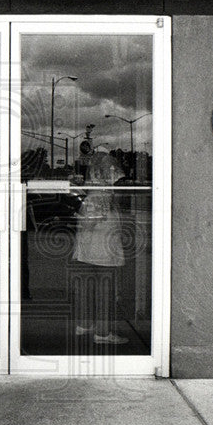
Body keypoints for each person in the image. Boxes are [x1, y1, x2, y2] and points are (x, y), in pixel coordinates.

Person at [71, 144, 127, 345]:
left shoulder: (90, 196)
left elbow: (86, 221)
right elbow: (93, 221)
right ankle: (102, 333)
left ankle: (85, 324)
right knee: (105, 288)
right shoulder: (103, 197)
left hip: (88, 248)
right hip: (103, 248)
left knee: (87, 286)